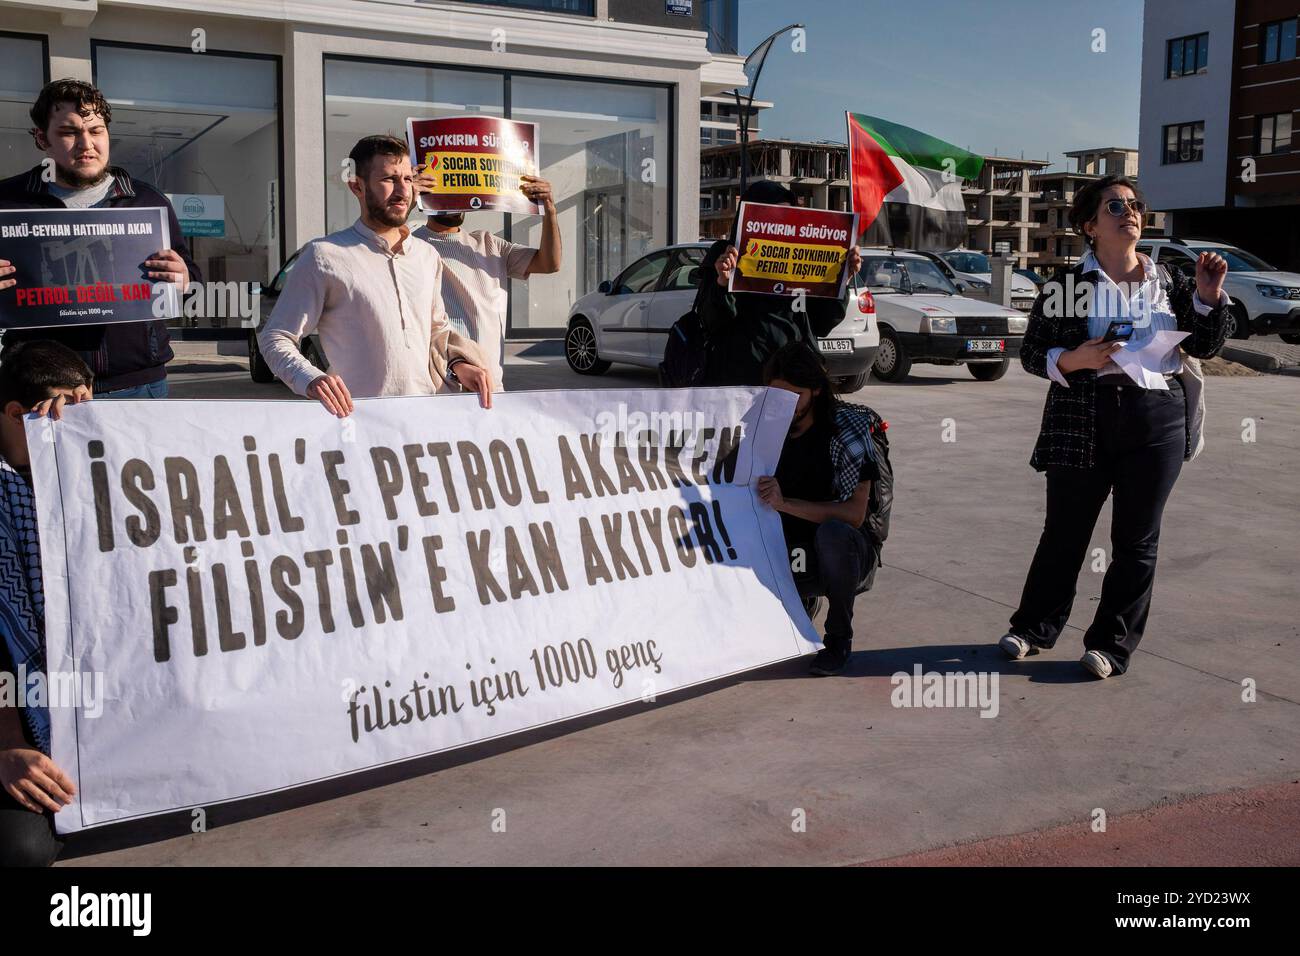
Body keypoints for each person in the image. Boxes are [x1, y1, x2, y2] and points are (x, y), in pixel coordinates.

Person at [999, 175, 1229, 678]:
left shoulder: (1170, 280)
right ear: (1089, 225)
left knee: (1137, 539)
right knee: (1065, 529)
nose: (1129, 212)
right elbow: (1034, 353)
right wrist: (1075, 358)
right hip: (1084, 414)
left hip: (1157, 416)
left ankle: (1111, 644)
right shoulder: (1064, 287)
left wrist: (1210, 299)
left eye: (1134, 205)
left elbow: (1209, 346)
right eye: (1114, 206)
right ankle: (1034, 627)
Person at [258, 135, 493, 417]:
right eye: (388, 179)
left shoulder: (426, 256)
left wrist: (459, 364)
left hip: (426, 421)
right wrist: (310, 378)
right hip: (360, 425)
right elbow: (275, 337)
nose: (402, 191)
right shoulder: (324, 256)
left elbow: (436, 331)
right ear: (357, 186)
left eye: (407, 179)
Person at [0, 79, 199, 398]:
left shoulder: (147, 201)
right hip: (43, 389)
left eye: (95, 131)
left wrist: (185, 281)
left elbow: (192, 287)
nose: (86, 144)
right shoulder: (8, 203)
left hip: (138, 385)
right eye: (69, 132)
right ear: (42, 138)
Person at [0, 340, 94, 867]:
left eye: (88, 402)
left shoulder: (87, 460)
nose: (82, 418)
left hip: (92, 698)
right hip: (16, 709)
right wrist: (8, 747)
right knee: (23, 850)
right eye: (65, 406)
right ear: (17, 414)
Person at [757, 343, 883, 677]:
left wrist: (786, 504)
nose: (782, 405)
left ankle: (839, 639)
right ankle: (799, 601)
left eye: (793, 396)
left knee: (834, 535)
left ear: (815, 389)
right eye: (774, 396)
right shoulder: (760, 424)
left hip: (842, 548)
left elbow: (855, 514)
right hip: (784, 543)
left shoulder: (846, 429)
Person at [698, 180, 861, 386]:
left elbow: (822, 324)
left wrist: (841, 279)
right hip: (741, 379)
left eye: (789, 217)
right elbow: (710, 321)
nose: (782, 226)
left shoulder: (803, 259)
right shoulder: (724, 254)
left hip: (794, 379)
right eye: (775, 217)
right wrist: (722, 282)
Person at [412, 169, 560, 391]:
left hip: (491, 386)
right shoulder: (411, 247)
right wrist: (405, 195)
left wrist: (549, 209)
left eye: (458, 193)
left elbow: (549, 263)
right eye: (447, 192)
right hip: (440, 388)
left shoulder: (489, 244)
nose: (455, 202)